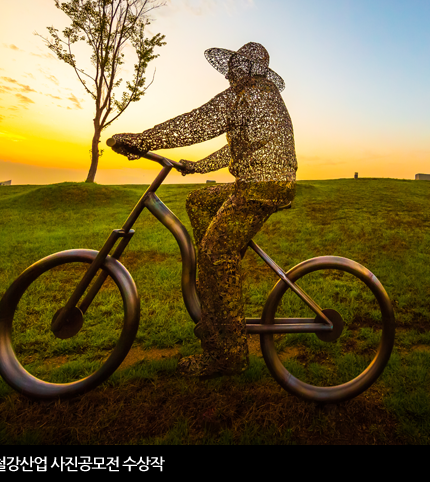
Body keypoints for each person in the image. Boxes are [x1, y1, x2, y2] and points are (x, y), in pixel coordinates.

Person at [110, 42, 297, 378]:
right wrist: (196, 168)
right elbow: (233, 149)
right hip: (256, 181)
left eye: (236, 66)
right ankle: (215, 284)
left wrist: (143, 140)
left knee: (215, 253)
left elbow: (199, 122)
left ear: (249, 69)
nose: (229, 73)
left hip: (262, 185)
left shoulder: (251, 94)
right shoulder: (255, 98)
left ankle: (228, 355)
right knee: (199, 201)